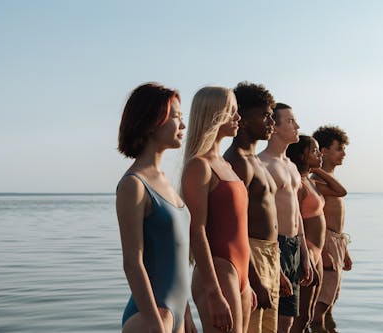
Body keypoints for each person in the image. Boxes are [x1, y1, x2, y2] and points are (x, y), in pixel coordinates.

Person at [116, 83, 196, 333]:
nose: (183, 126)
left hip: (176, 317)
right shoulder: (134, 185)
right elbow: (132, 262)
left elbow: (179, 261)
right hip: (148, 319)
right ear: (152, 122)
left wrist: (187, 316)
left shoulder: (165, 183)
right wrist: (154, 323)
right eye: (176, 118)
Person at [182, 86, 255, 333]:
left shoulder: (224, 164)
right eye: (231, 111)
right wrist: (213, 292)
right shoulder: (199, 166)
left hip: (240, 274)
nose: (238, 117)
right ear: (214, 114)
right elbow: (196, 229)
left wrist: (250, 282)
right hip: (218, 272)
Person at [223, 82, 282, 333]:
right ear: (243, 119)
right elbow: (234, 228)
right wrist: (255, 280)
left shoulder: (255, 160)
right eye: (265, 115)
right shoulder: (236, 162)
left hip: (270, 255)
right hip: (252, 257)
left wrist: (278, 269)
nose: (272, 122)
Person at [258, 104, 313, 333]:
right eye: (290, 121)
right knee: (270, 319)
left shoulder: (291, 166)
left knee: (288, 320)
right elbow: (259, 215)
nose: (297, 126)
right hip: (274, 244)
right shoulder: (262, 164)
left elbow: (296, 212)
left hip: (293, 245)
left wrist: (305, 253)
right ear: (275, 127)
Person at [287, 135, 347, 333]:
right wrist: (312, 254)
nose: (319, 154)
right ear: (301, 155)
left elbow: (340, 190)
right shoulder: (298, 184)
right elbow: (295, 221)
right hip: (309, 251)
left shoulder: (311, 182)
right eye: (314, 151)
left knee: (308, 314)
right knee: (301, 316)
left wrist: (316, 168)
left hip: (318, 251)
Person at [311, 125, 351, 331]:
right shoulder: (317, 180)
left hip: (336, 242)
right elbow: (313, 219)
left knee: (331, 302)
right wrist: (325, 252)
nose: (344, 153)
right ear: (324, 151)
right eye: (339, 148)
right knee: (320, 308)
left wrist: (345, 251)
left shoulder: (327, 178)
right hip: (325, 243)